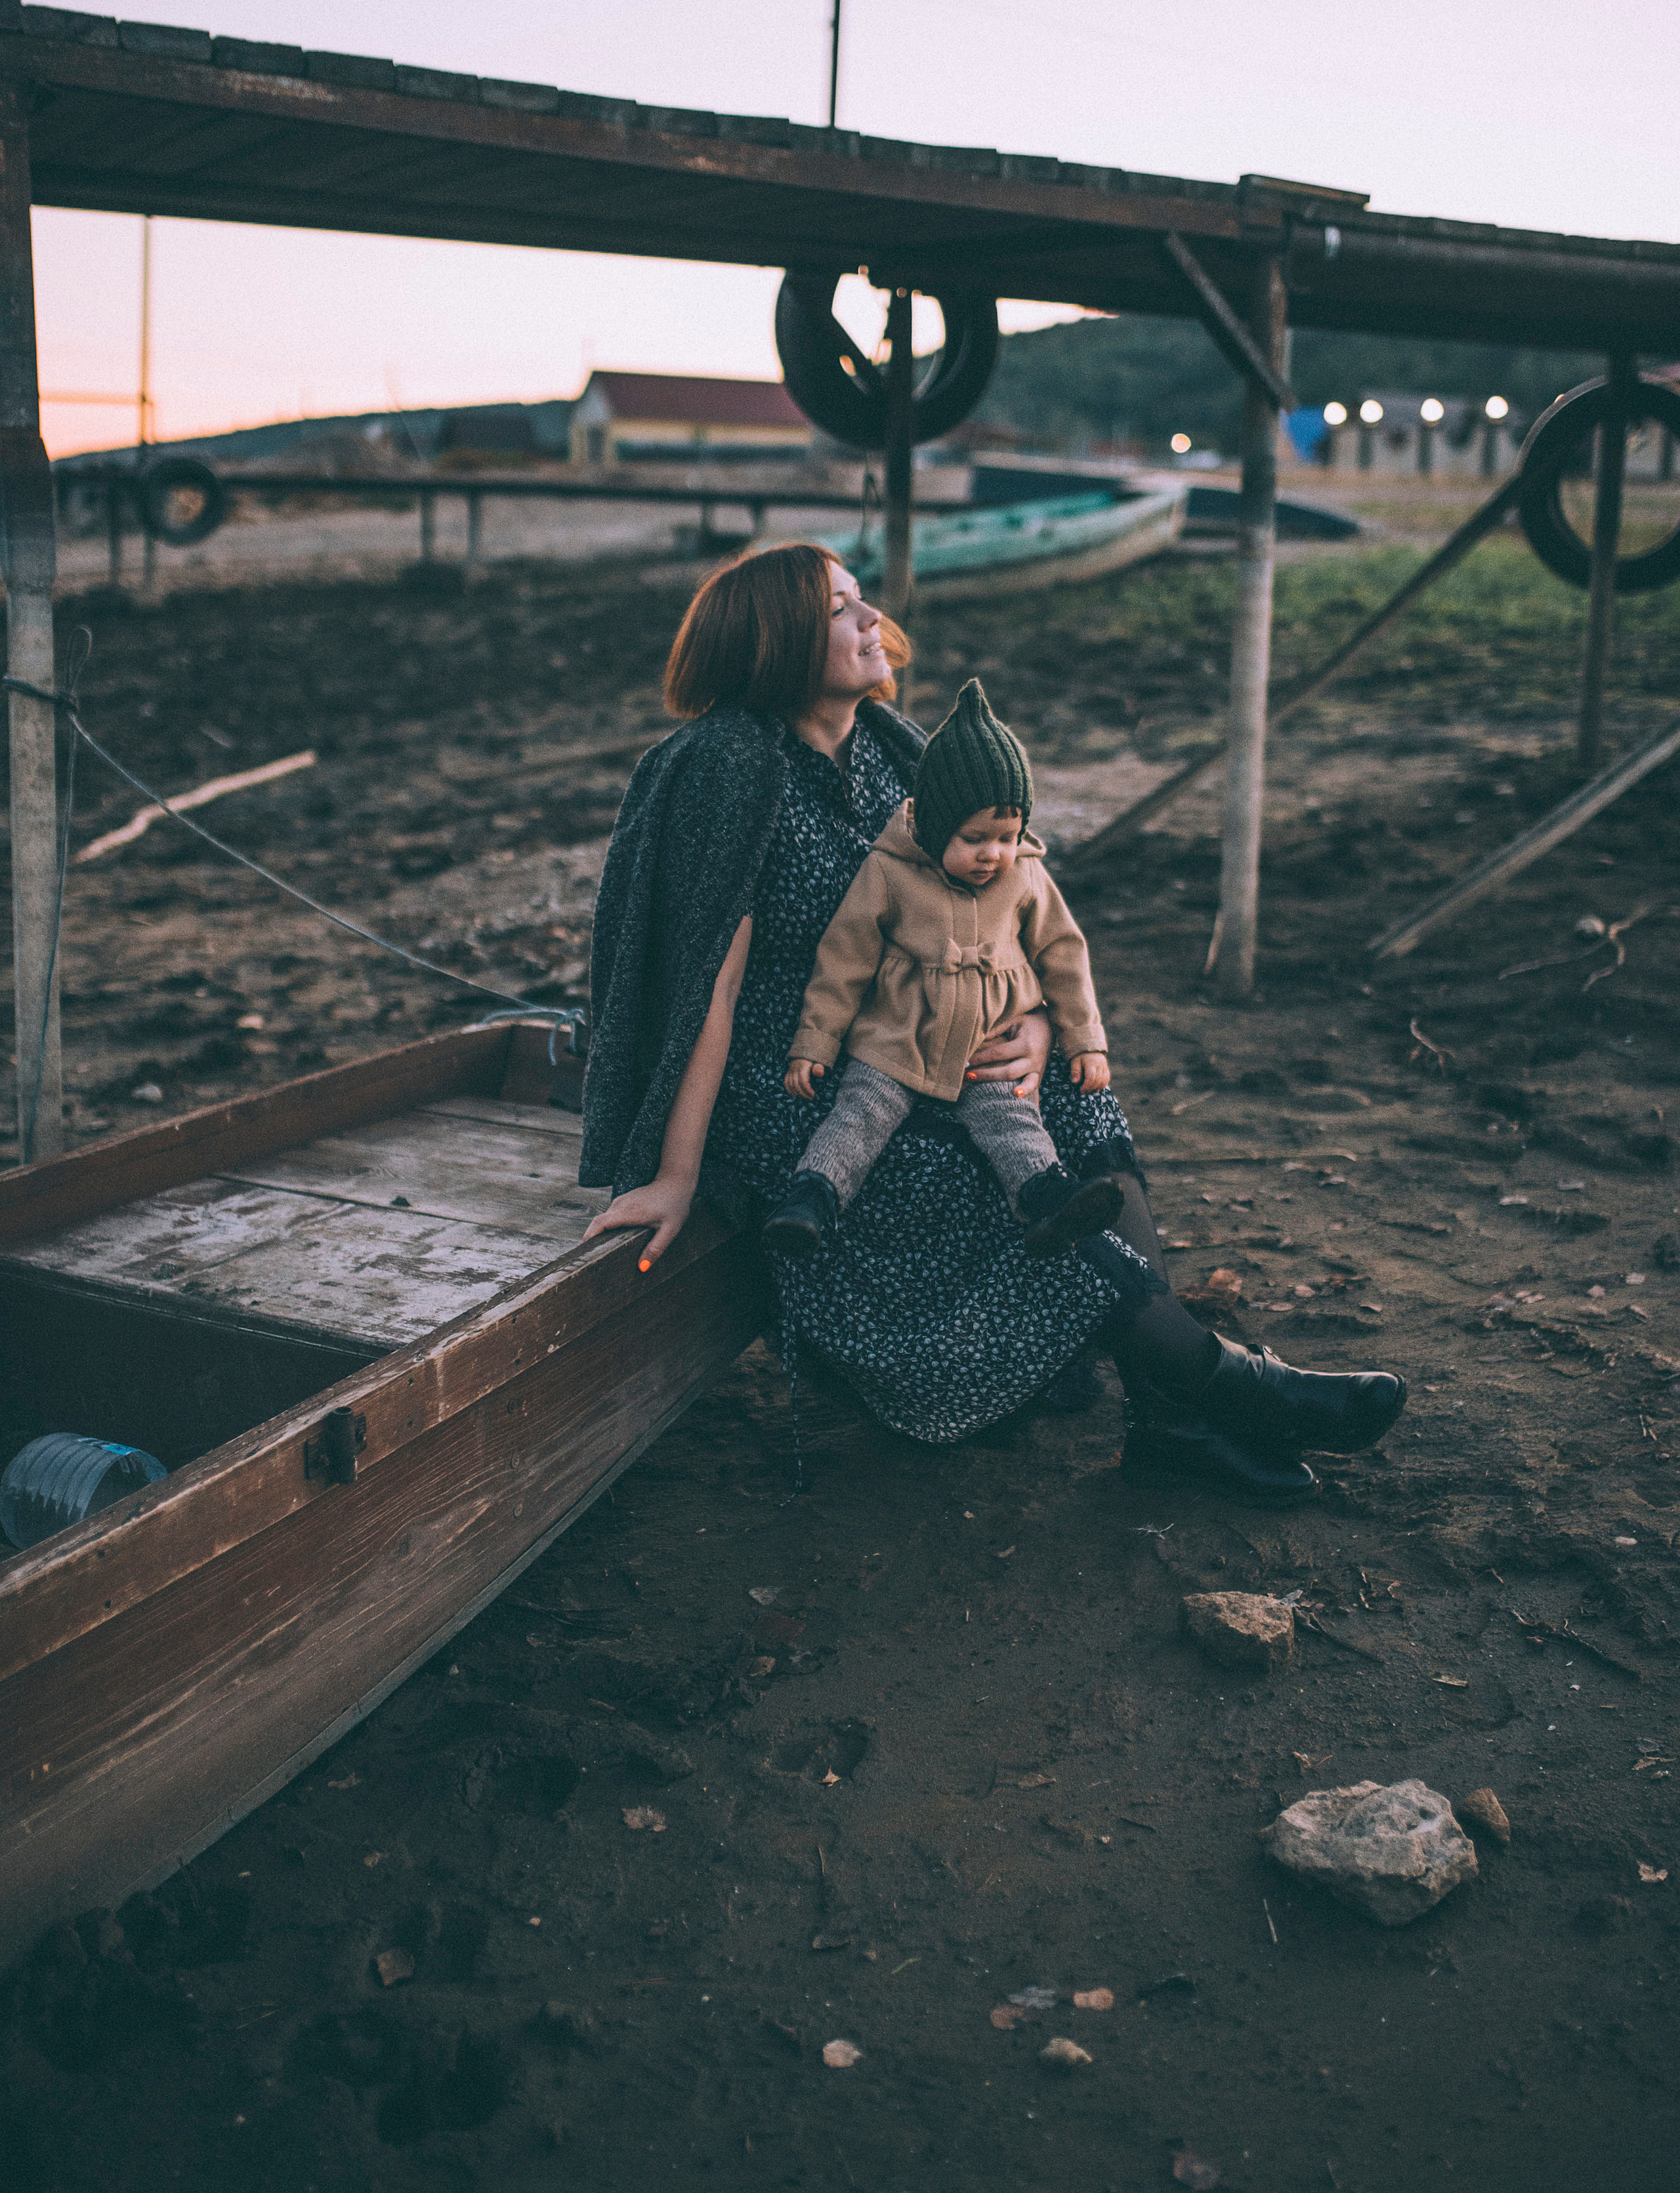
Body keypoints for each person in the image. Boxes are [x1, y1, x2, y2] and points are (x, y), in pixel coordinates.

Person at [579, 540, 1405, 1501]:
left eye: (861, 599)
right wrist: (677, 1175)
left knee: (1069, 1099)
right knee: (956, 1166)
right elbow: (704, 993)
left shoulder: (893, 752)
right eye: (839, 608)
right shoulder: (729, 767)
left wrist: (1039, 1021)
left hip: (929, 1034)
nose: (870, 620)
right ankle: (1214, 1382)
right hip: (796, 1080)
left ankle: (1171, 1415)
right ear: (777, 639)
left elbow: (1004, 907)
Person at [763, 678, 1129, 1264]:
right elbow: (844, 960)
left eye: (1007, 837)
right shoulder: (890, 872)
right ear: (934, 827)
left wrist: (1083, 1039)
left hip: (985, 1046)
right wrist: (816, 1042)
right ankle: (811, 1200)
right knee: (860, 1113)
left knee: (1012, 1116)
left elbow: (1064, 954)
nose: (993, 854)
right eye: (974, 838)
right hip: (898, 1039)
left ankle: (1048, 1201)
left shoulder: (1024, 875)